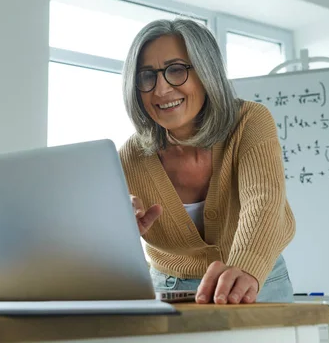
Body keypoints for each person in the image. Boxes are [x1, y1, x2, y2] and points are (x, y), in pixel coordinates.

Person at [119, 18, 296, 305]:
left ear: (206, 72)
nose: (161, 90)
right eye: (146, 76)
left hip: (256, 278)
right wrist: (119, 230)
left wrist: (245, 266)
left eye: (176, 70)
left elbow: (263, 200)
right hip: (171, 289)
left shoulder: (249, 121)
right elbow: (107, 247)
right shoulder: (130, 156)